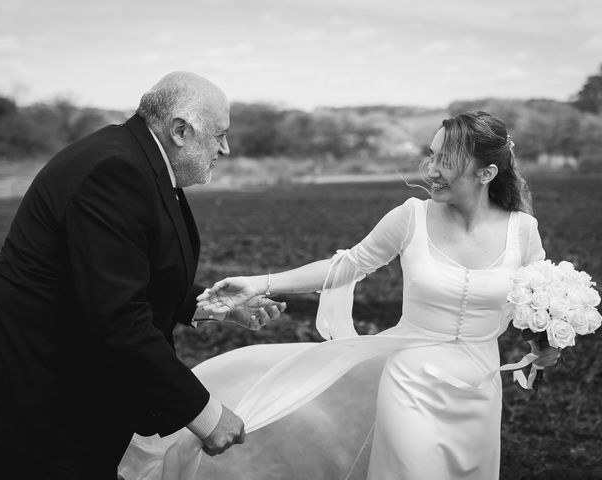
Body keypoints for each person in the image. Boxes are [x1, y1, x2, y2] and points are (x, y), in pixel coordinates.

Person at [190, 111, 560, 480]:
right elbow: (345, 266)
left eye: (444, 161)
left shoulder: (523, 231)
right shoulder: (410, 217)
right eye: (430, 155)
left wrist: (546, 342)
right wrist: (259, 283)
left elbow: (534, 302)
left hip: (481, 392)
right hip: (411, 387)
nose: (429, 170)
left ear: (487, 173)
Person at [0, 72, 285, 480]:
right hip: (23, 383)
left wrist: (213, 307)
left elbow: (124, 275)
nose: (226, 147)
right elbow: (116, 317)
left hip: (55, 373)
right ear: (180, 130)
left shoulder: (138, 159)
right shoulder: (116, 171)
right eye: (220, 134)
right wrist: (206, 414)